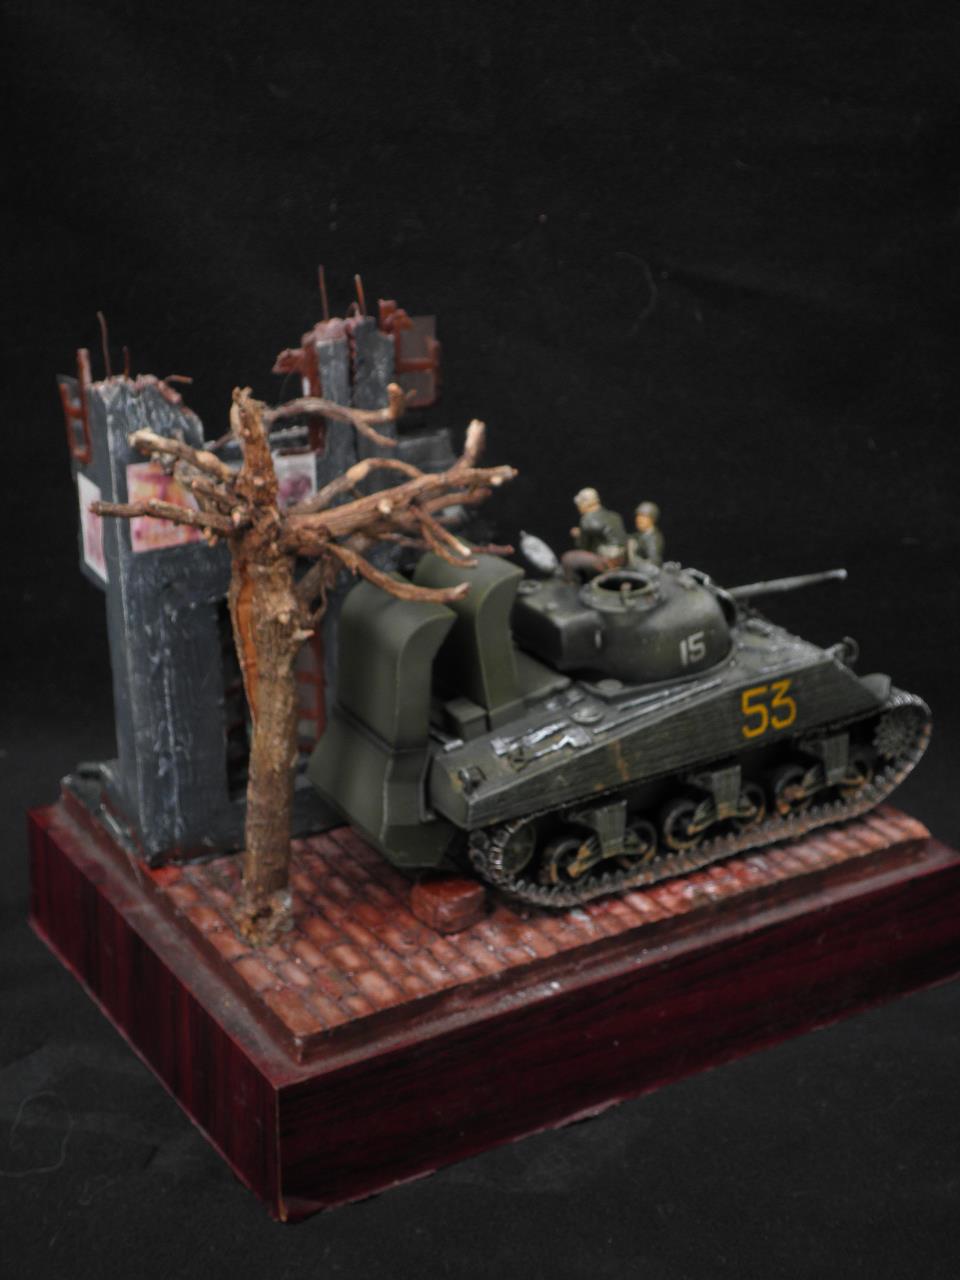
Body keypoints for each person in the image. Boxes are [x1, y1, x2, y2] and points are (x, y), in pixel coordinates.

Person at [561, 487, 627, 582]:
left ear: (586, 504)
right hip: (622, 559)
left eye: (579, 504)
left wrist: (579, 536)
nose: (578, 507)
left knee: (568, 558)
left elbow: (584, 547)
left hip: (607, 562)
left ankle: (571, 586)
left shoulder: (587, 520)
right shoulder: (615, 516)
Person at [627, 501, 664, 567]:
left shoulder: (654, 538)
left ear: (652, 519)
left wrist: (634, 560)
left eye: (644, 516)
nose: (639, 519)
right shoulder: (637, 535)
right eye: (638, 515)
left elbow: (654, 562)